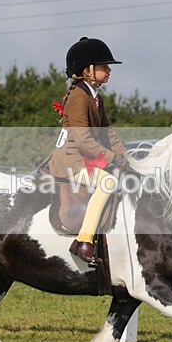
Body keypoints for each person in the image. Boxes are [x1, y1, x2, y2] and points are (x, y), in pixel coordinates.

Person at [46, 37, 128, 263]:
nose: (109, 70)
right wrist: (112, 159)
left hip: (83, 158)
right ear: (87, 71)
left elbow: (107, 132)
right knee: (107, 182)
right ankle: (83, 242)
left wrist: (127, 156)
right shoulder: (78, 97)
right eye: (104, 66)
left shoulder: (95, 96)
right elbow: (83, 139)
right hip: (71, 160)